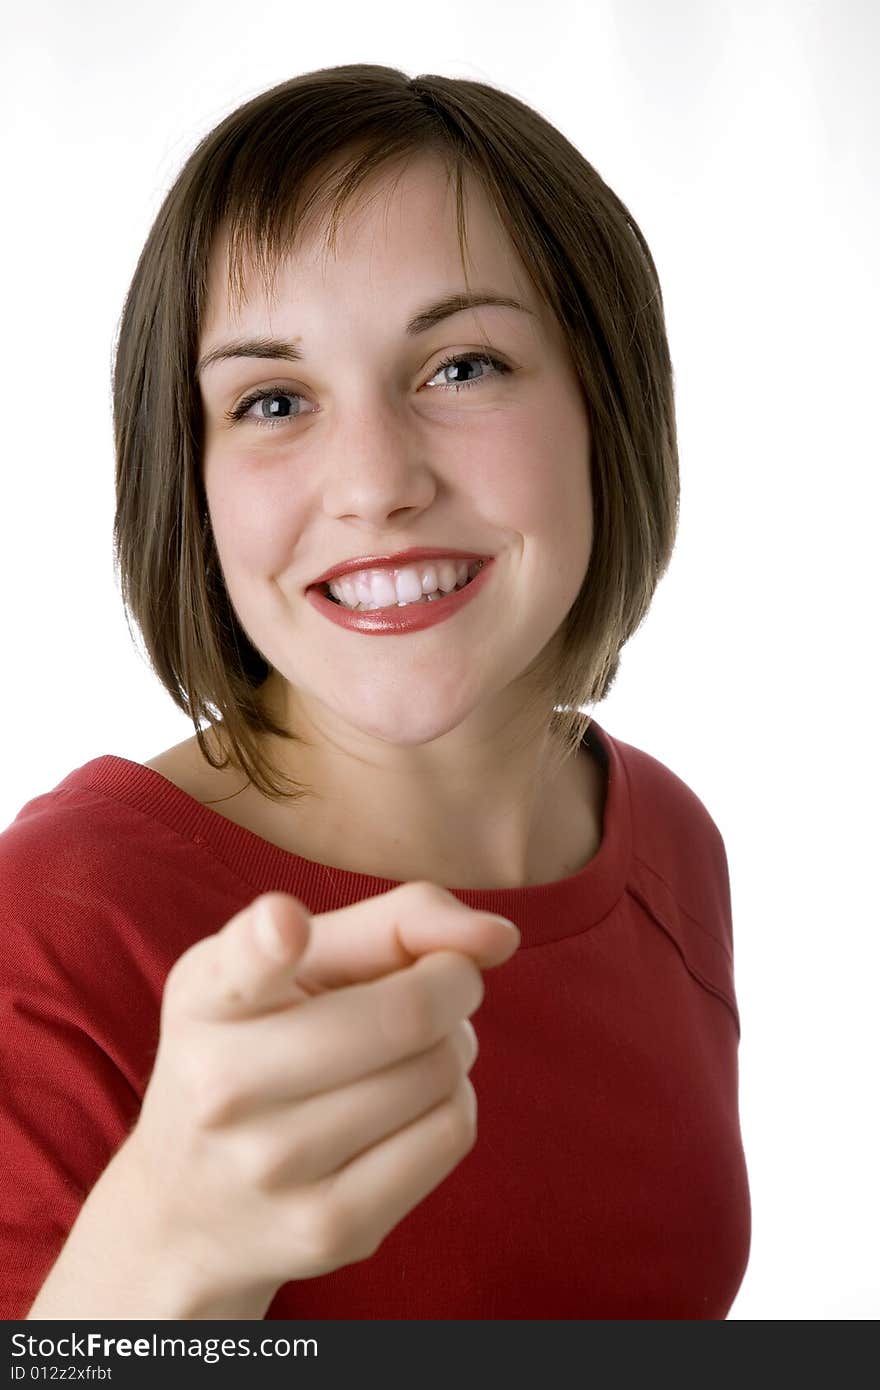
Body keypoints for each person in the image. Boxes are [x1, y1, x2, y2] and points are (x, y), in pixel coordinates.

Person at [0, 63, 750, 1320]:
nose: (372, 482)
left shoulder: (668, 839)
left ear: (602, 402)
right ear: (189, 478)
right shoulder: (56, 923)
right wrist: (162, 1255)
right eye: (273, 399)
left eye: (461, 367)